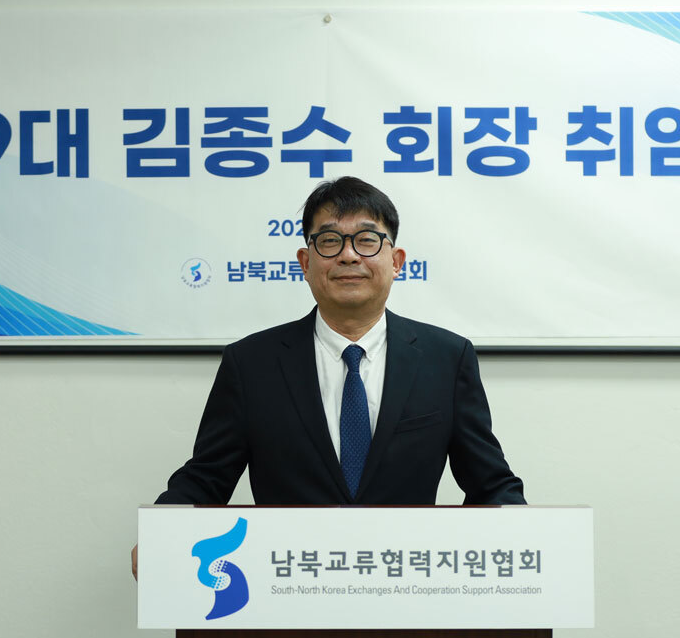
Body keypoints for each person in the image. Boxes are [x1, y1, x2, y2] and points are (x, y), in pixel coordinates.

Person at [132, 176, 524, 577]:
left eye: (367, 240)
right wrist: (163, 532)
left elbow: (491, 484)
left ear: (396, 261)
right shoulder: (250, 363)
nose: (349, 256)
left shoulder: (447, 358)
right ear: (306, 262)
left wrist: (527, 538)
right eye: (330, 241)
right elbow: (206, 478)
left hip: (407, 584)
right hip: (288, 583)